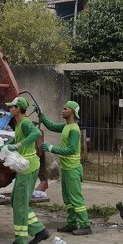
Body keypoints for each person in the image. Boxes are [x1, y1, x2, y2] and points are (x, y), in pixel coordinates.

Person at [0, 96, 51, 244]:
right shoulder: (19, 124)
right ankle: (39, 230)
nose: (9, 109)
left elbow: (36, 133)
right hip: (25, 167)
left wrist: (19, 145)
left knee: (20, 204)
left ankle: (20, 243)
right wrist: (2, 148)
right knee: (17, 201)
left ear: (18, 109)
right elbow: (16, 139)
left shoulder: (27, 123)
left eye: (12, 107)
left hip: (28, 167)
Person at [38, 101, 91, 235]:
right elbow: (50, 126)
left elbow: (72, 149)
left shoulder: (74, 129)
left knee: (75, 198)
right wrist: (41, 114)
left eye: (65, 108)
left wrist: (51, 148)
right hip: (67, 169)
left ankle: (85, 225)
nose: (62, 110)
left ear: (72, 112)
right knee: (68, 199)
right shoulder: (66, 126)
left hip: (73, 169)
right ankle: (72, 223)